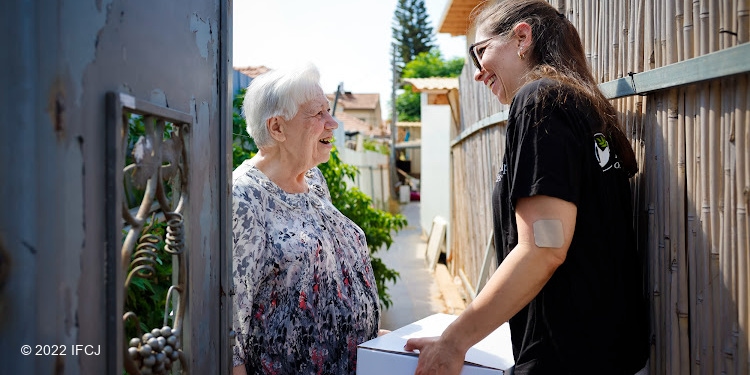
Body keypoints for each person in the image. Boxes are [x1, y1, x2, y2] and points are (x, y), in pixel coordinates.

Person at [404, 1, 650, 374]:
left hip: (569, 360)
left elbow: (544, 247)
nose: (476, 74)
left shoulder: (539, 100)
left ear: (522, 37)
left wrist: (453, 343)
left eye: (480, 52)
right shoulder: (580, 104)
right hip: (606, 353)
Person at [231, 63, 381, 374]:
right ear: (277, 128)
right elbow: (231, 329)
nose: (333, 123)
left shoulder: (313, 180)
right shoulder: (242, 198)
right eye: (318, 114)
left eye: (330, 111)